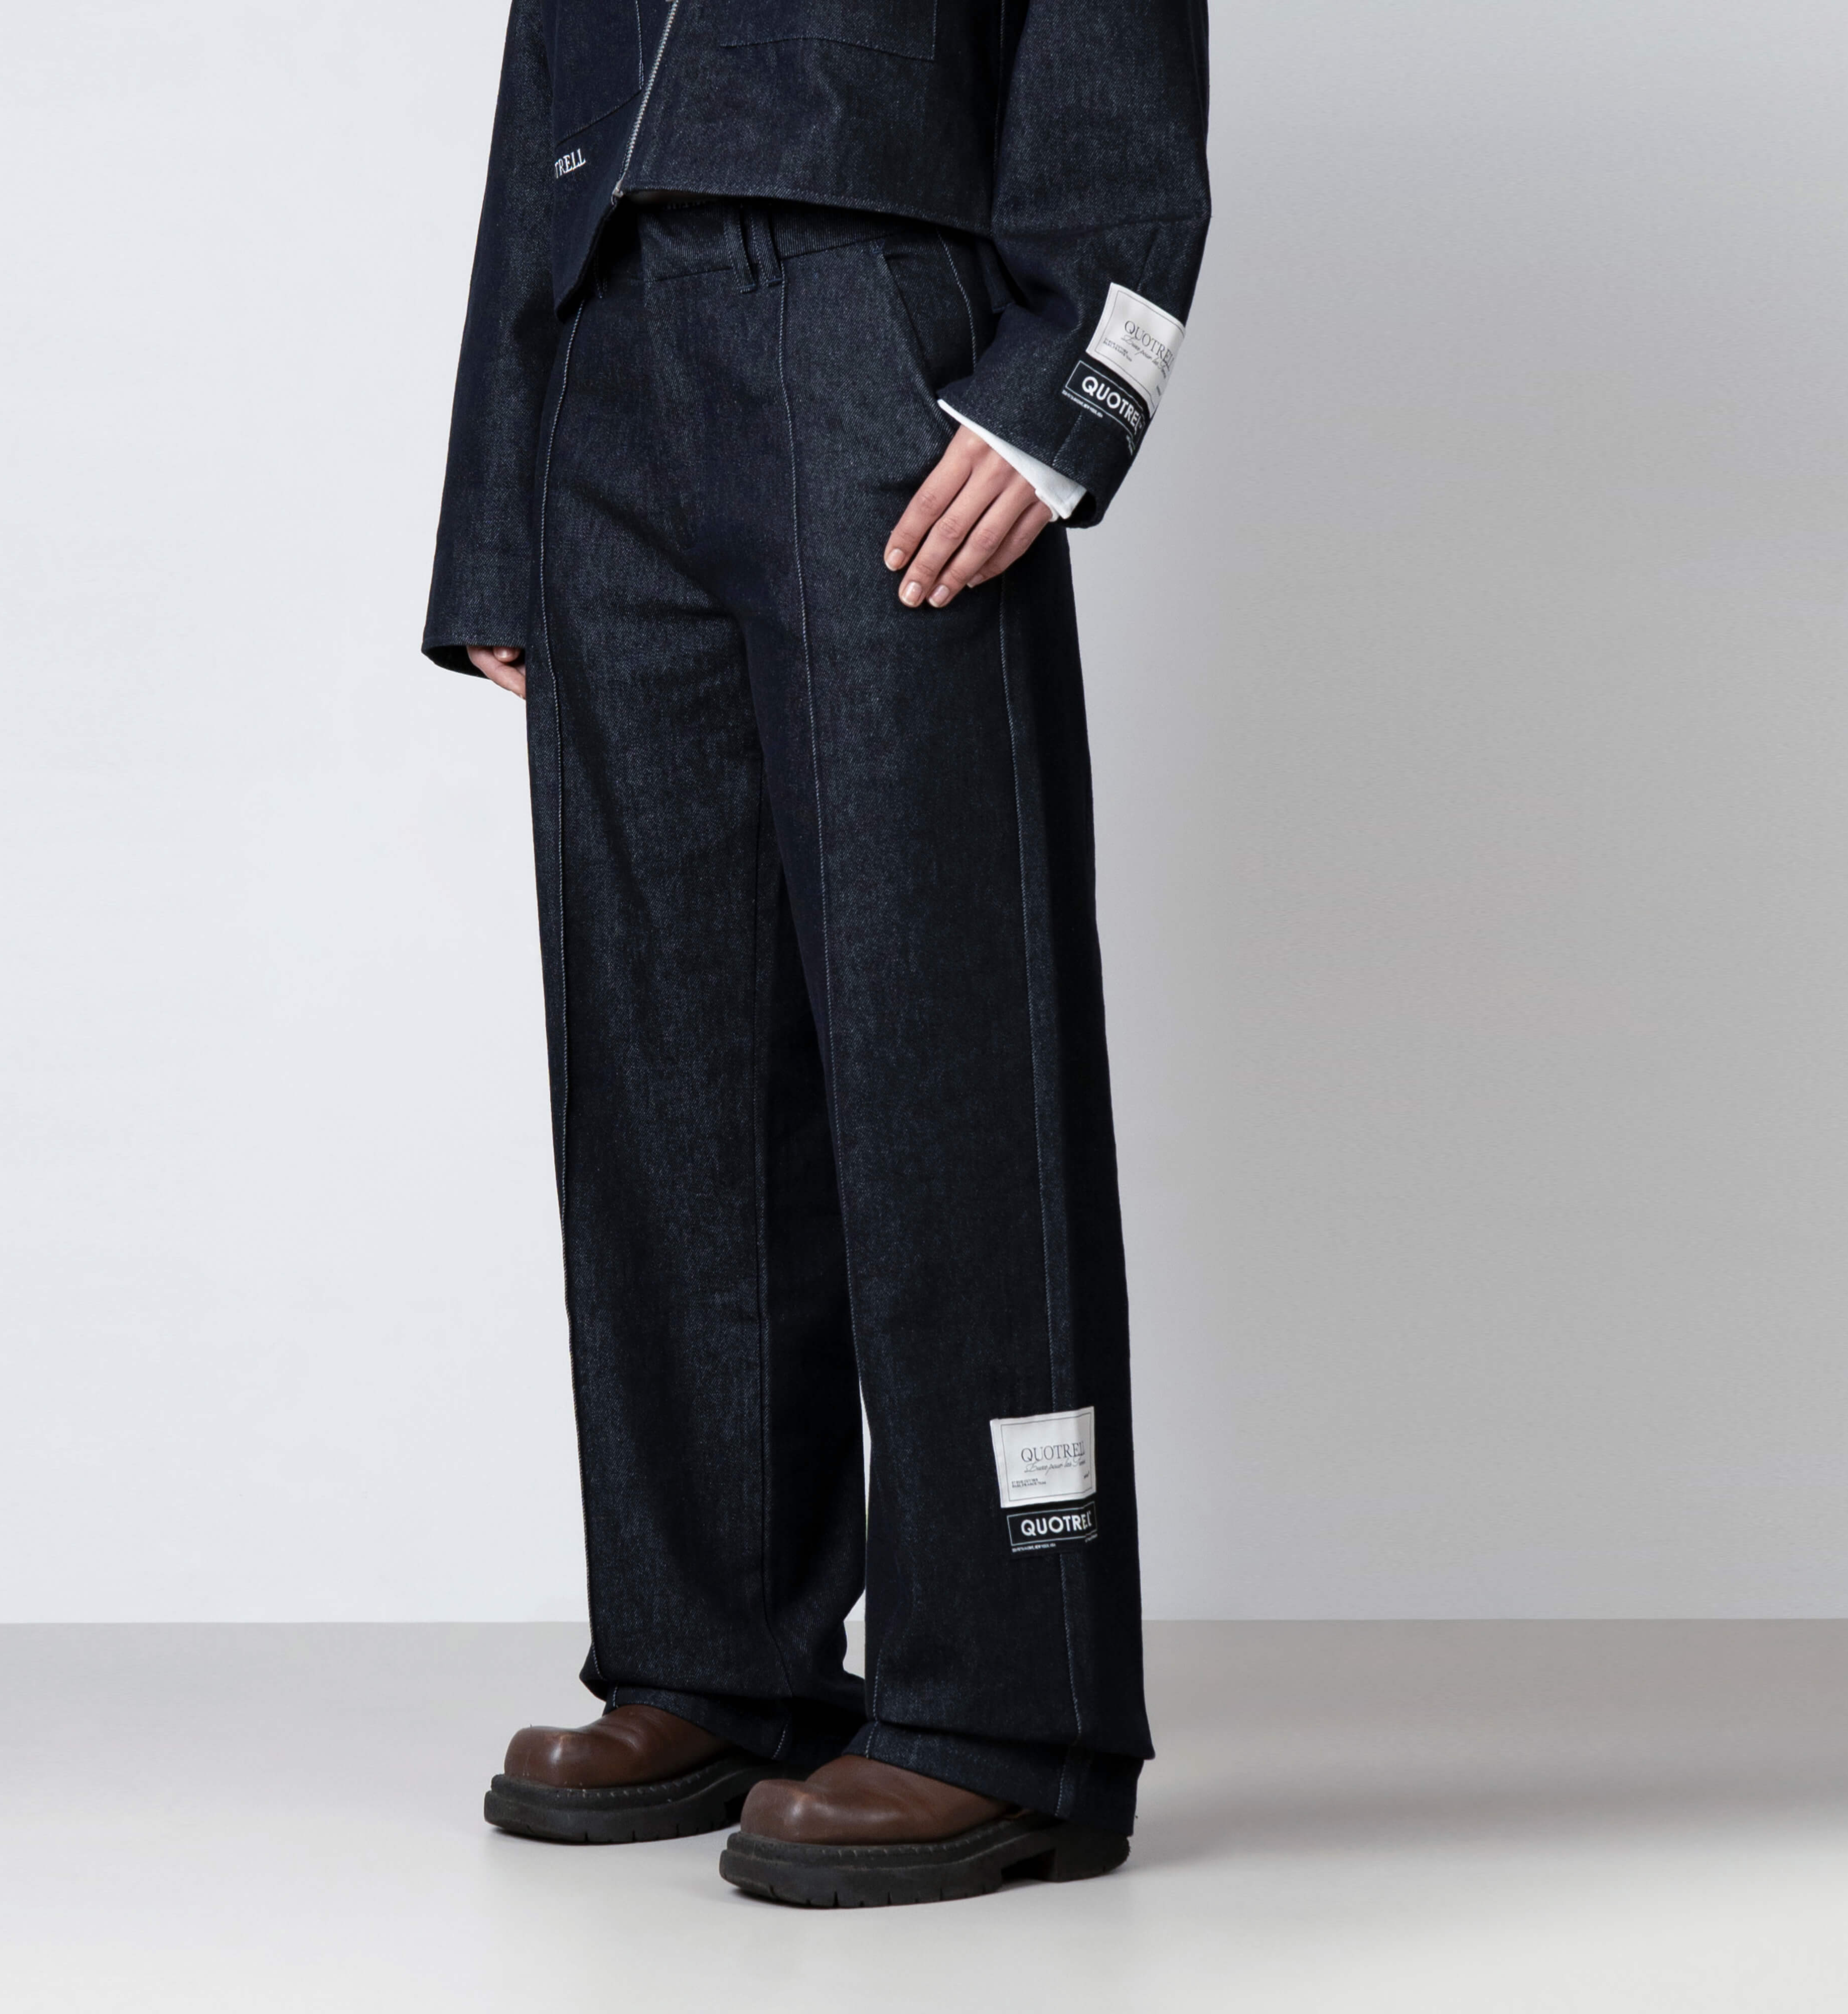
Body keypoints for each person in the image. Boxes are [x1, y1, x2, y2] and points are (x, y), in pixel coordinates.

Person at [423, 0, 1209, 1908]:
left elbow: (1117, 82)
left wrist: (1066, 393)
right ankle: (717, 1660)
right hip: (613, 355)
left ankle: (1009, 1716)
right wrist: (496, 511)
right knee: (665, 1050)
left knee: (943, 1025)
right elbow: (544, 99)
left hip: (878, 336)